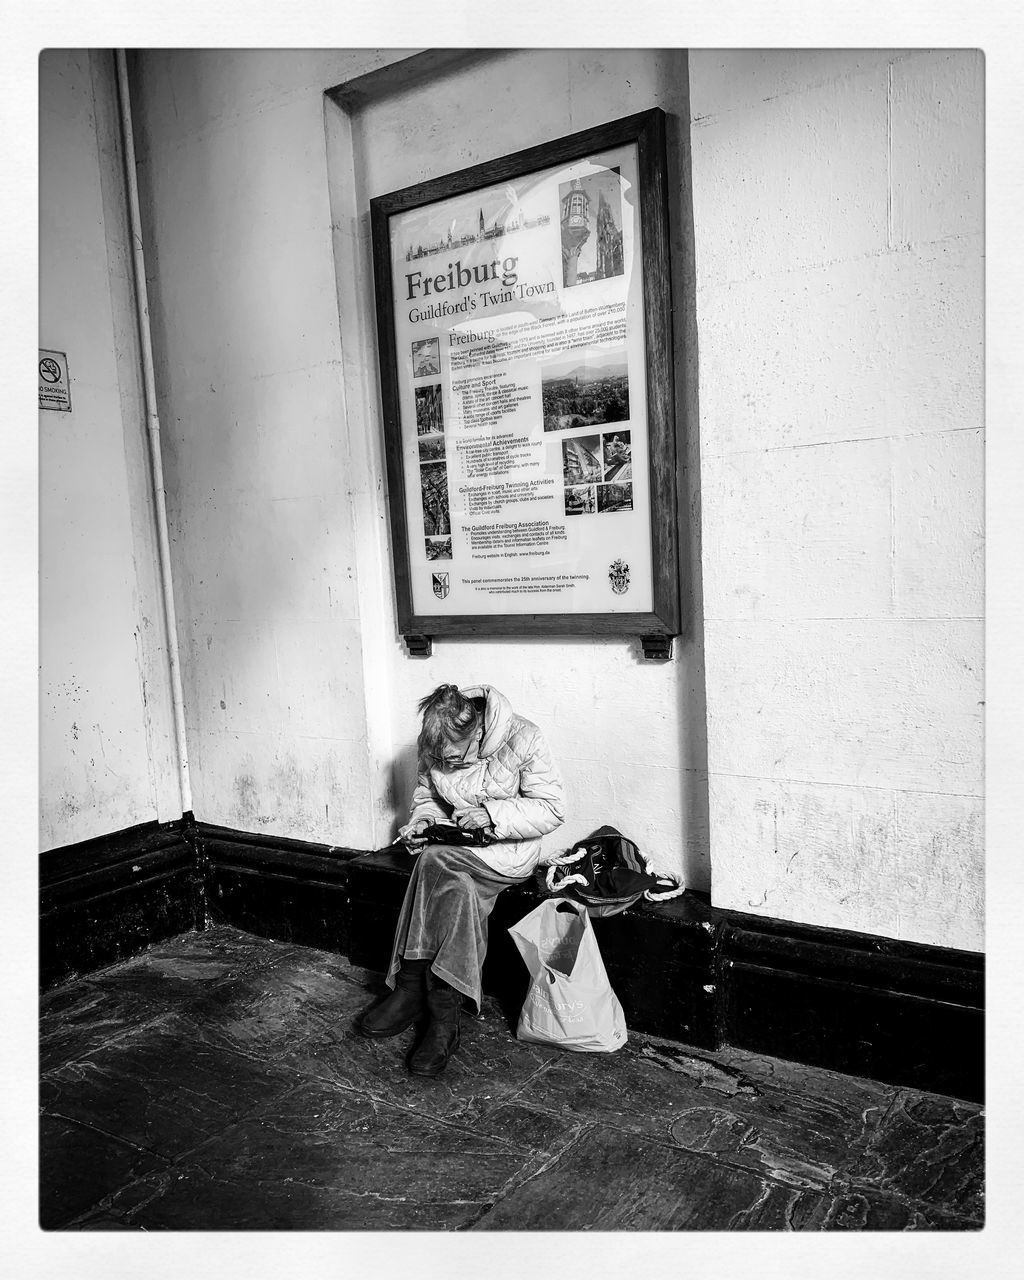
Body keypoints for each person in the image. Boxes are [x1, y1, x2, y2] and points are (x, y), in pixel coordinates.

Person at [358, 683, 565, 1077]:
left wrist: (493, 815)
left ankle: (409, 986)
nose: (445, 765)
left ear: (479, 734)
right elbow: (429, 797)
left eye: (455, 759)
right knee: (452, 881)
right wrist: (421, 823)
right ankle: (444, 1013)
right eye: (439, 759)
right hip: (454, 851)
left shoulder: (525, 737)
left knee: (436, 863)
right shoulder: (434, 742)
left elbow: (552, 809)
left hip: (506, 852)